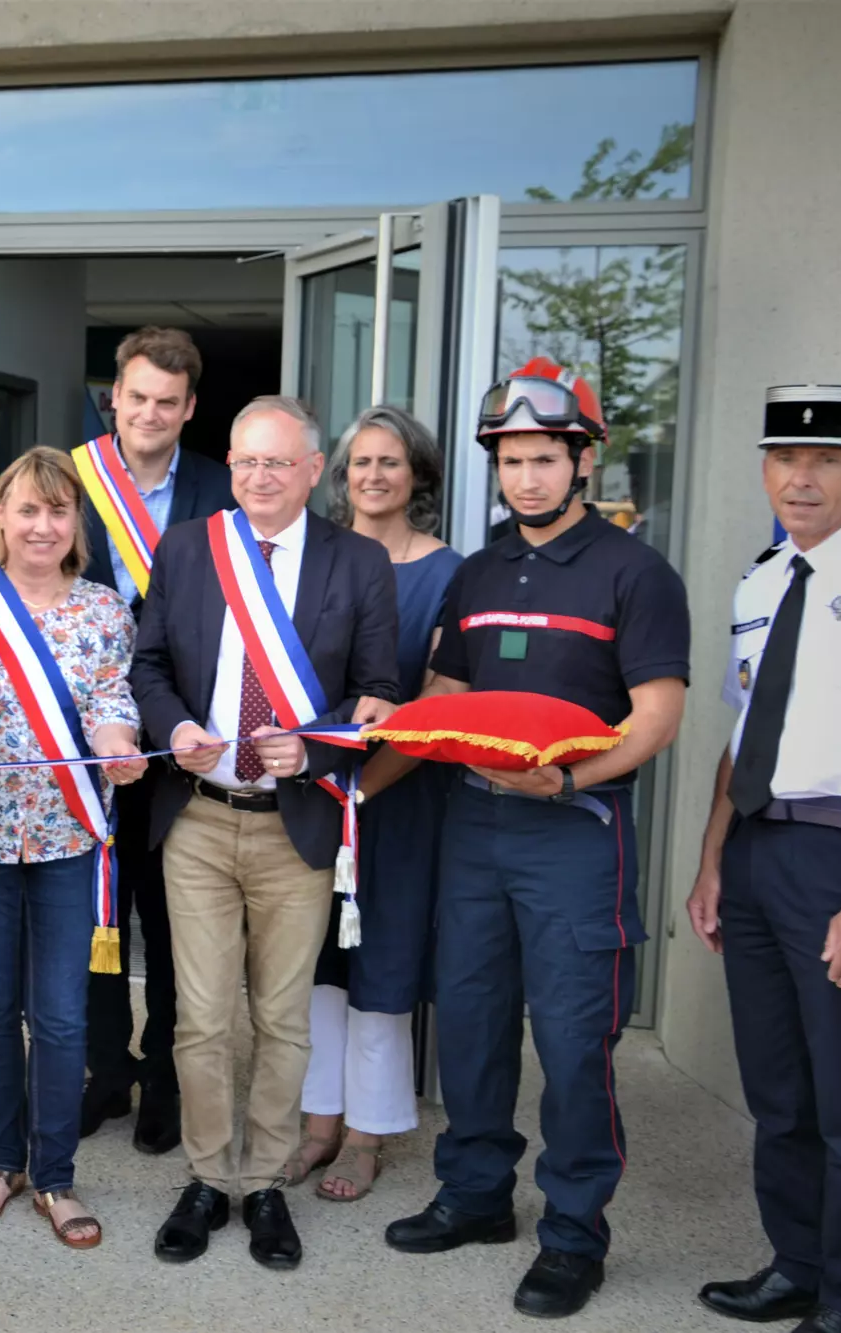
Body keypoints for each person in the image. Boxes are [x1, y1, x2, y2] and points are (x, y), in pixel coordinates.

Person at [367, 358, 689, 1320]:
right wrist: (362, 747)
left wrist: (567, 777)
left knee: (573, 1038)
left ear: (583, 460)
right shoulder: (476, 569)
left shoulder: (636, 572)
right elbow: (448, 697)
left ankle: (574, 1233)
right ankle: (475, 1195)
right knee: (466, 1020)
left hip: (575, 831)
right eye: (511, 461)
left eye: (545, 458)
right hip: (474, 822)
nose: (527, 478)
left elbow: (658, 716)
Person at [130, 395, 399, 1271]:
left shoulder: (358, 563)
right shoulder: (188, 548)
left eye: (277, 462)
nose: (258, 478)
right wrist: (170, 728)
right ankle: (209, 1178)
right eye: (245, 462)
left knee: (283, 1019)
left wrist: (314, 745)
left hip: (297, 825)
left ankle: (268, 1185)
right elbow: (150, 663)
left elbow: (378, 695)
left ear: (316, 470)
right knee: (201, 1020)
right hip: (201, 819)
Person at [688, 385, 841, 1333]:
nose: (801, 476)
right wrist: (712, 863)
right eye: (786, 458)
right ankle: (801, 1263)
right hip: (755, 854)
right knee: (779, 1091)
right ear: (764, 469)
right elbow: (742, 736)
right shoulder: (760, 579)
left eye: (826, 460)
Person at [0, 446, 145, 1250]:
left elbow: (112, 697)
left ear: (76, 523)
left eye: (57, 510)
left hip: (70, 838)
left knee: (62, 1017)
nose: (41, 524)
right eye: (26, 509)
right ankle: (4, 1161)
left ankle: (57, 1174)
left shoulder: (104, 609)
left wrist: (120, 744)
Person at [294, 407, 462, 1202]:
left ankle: (367, 1135)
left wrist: (360, 786)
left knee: (381, 960)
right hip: (314, 792)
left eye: (391, 462)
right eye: (361, 462)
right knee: (317, 962)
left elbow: (438, 701)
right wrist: (322, 782)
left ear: (418, 475)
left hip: (393, 797)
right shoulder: (317, 560)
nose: (373, 476)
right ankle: (317, 1123)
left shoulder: (447, 572)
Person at [74, 326, 234, 1153]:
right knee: (96, 910)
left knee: (173, 919)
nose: (149, 413)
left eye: (167, 402)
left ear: (190, 408)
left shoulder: (221, 485)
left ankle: (166, 1072)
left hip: (181, 735)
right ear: (116, 398)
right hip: (88, 739)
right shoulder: (71, 477)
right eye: (136, 397)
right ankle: (105, 1068)